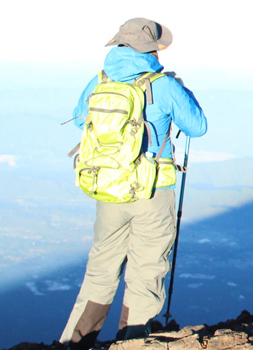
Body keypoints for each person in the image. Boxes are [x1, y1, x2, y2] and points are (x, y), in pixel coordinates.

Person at [61, 18, 207, 349]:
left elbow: (81, 118)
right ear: (153, 47)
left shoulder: (99, 80)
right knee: (146, 270)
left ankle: (73, 342)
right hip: (153, 191)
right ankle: (132, 341)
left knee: (100, 268)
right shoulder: (163, 85)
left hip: (109, 189)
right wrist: (183, 94)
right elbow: (197, 127)